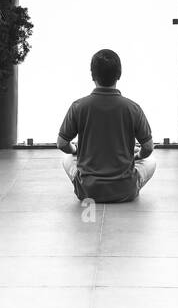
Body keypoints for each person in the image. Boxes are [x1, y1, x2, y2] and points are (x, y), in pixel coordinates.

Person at [56, 48, 156, 203]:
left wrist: (76, 150)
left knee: (66, 157)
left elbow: (62, 143)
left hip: (88, 191)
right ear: (119, 74)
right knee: (151, 161)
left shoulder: (78, 106)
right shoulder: (133, 108)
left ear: (92, 75)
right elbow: (148, 147)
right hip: (125, 190)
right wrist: (135, 156)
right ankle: (129, 180)